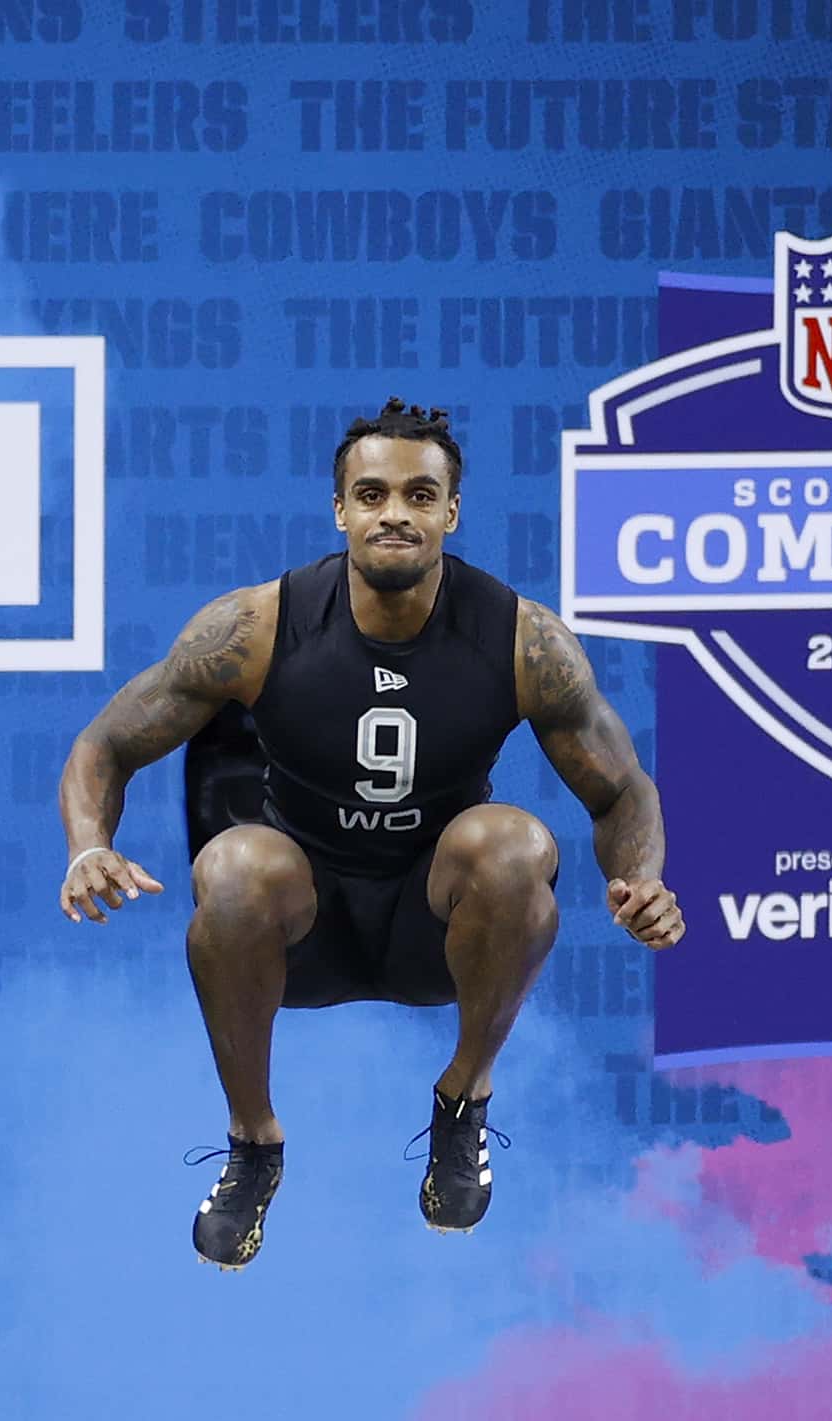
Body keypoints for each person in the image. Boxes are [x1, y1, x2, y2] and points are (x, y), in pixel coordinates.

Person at [55, 399, 682, 1268]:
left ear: (451, 513)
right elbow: (107, 744)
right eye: (374, 493)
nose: (396, 512)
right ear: (340, 509)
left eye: (421, 496)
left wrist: (641, 877)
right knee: (233, 864)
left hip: (442, 931)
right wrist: (90, 845)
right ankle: (253, 1145)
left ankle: (462, 1104)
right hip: (301, 932)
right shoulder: (257, 626)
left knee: (515, 843)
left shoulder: (522, 640)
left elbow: (623, 793)